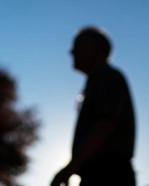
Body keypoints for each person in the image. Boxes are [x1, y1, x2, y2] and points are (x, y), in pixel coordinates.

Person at [51, 26, 136, 186]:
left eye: (77, 45)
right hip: (102, 174)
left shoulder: (106, 76)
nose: (71, 51)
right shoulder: (99, 80)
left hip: (107, 174)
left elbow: (105, 124)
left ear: (97, 49)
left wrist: (71, 167)